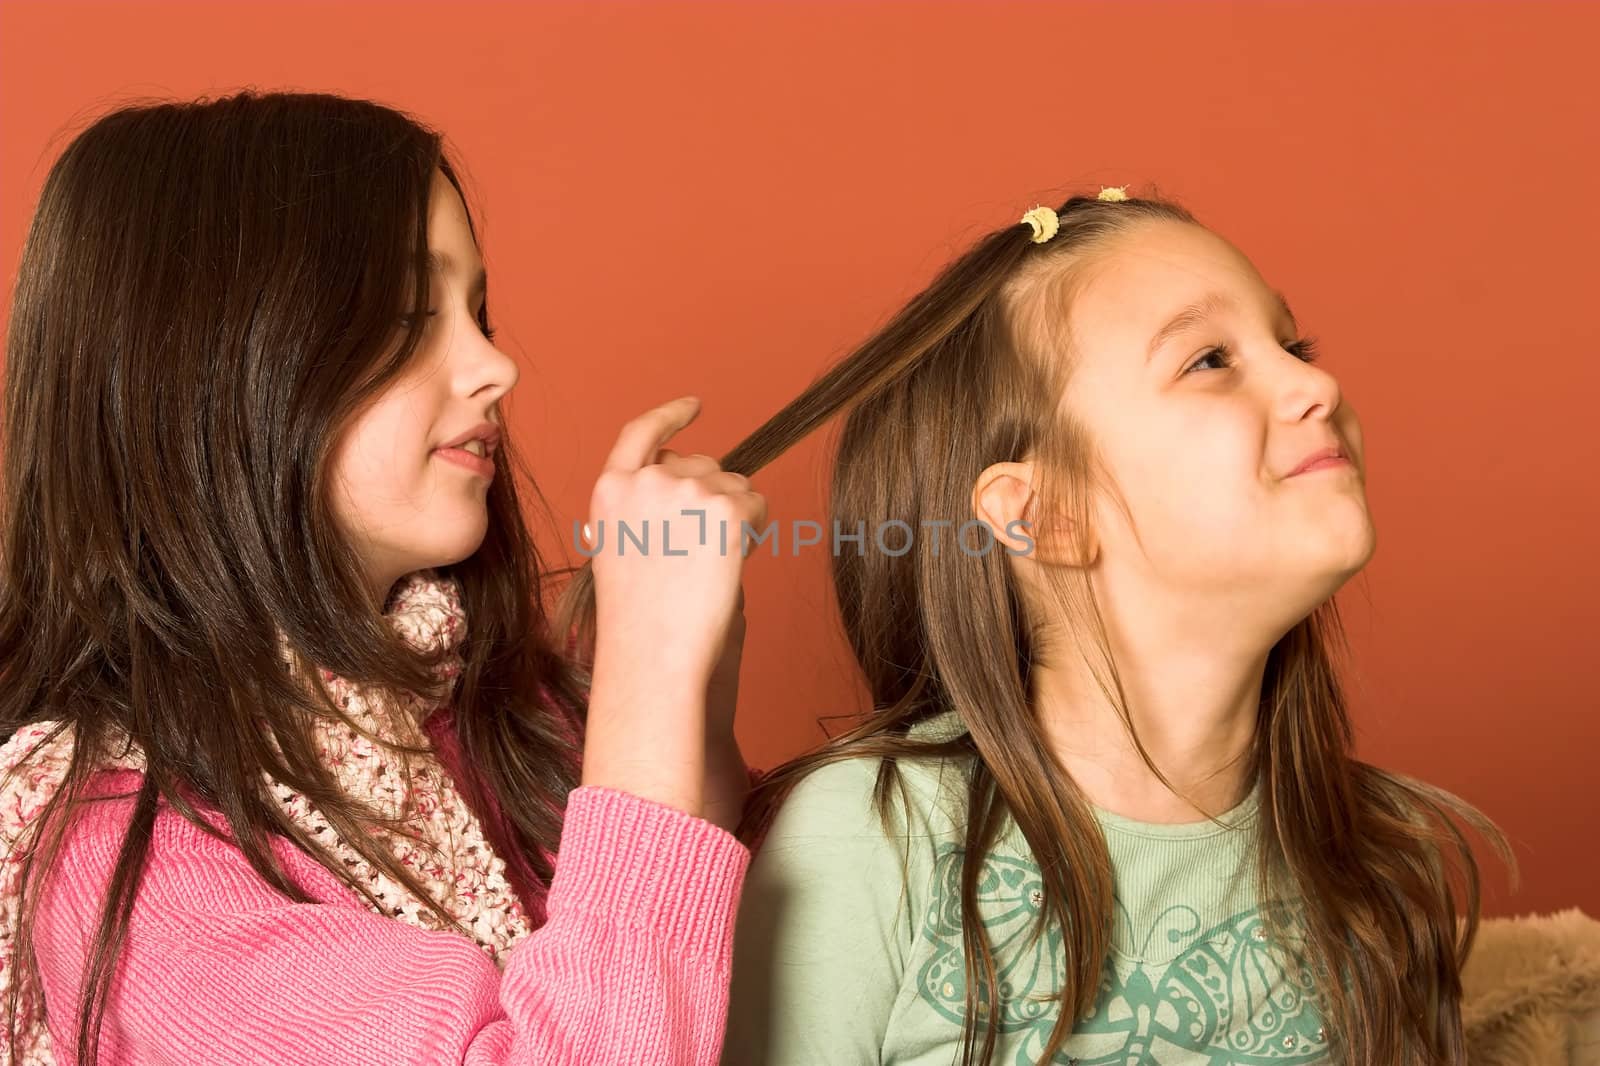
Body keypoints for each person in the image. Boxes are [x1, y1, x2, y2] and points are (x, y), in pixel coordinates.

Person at [0, 90, 763, 1065]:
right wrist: (648, 684)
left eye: (477, 310)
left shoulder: (500, 711)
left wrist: (689, 712)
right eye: (411, 314)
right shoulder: (117, 853)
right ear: (208, 365)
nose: (495, 365)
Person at [717, 188, 1508, 1066]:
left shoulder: (1379, 867)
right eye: (1210, 360)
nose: (1316, 383)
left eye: (1293, 345)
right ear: (1045, 515)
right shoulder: (874, 837)